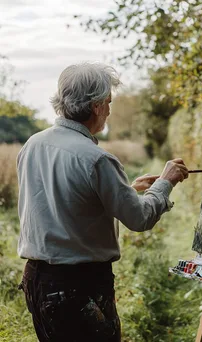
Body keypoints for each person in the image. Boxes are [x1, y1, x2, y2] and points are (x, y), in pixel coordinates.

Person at [16, 62, 189, 342]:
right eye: (108, 102)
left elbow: (65, 204)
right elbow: (139, 218)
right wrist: (165, 182)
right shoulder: (97, 159)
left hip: (37, 281)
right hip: (79, 287)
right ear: (96, 105)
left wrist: (127, 190)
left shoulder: (32, 145)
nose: (109, 110)